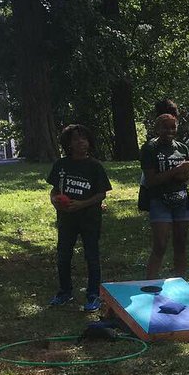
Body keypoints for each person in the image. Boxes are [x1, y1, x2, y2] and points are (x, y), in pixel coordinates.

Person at [47, 124, 111, 312]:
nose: (81, 142)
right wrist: (54, 200)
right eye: (75, 139)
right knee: (63, 255)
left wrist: (82, 204)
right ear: (68, 144)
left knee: (92, 256)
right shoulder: (61, 165)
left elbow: (101, 194)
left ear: (89, 142)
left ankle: (93, 294)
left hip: (89, 219)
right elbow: (54, 189)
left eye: (84, 138)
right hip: (67, 219)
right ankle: (65, 291)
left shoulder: (95, 166)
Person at [139, 113, 189, 278]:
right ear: (157, 129)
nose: (169, 131)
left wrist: (177, 174)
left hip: (182, 200)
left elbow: (186, 176)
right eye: (165, 127)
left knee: (180, 243)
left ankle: (180, 282)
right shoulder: (150, 148)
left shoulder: (182, 148)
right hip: (159, 201)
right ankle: (150, 283)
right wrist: (176, 171)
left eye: (173, 127)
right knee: (160, 245)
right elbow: (152, 180)